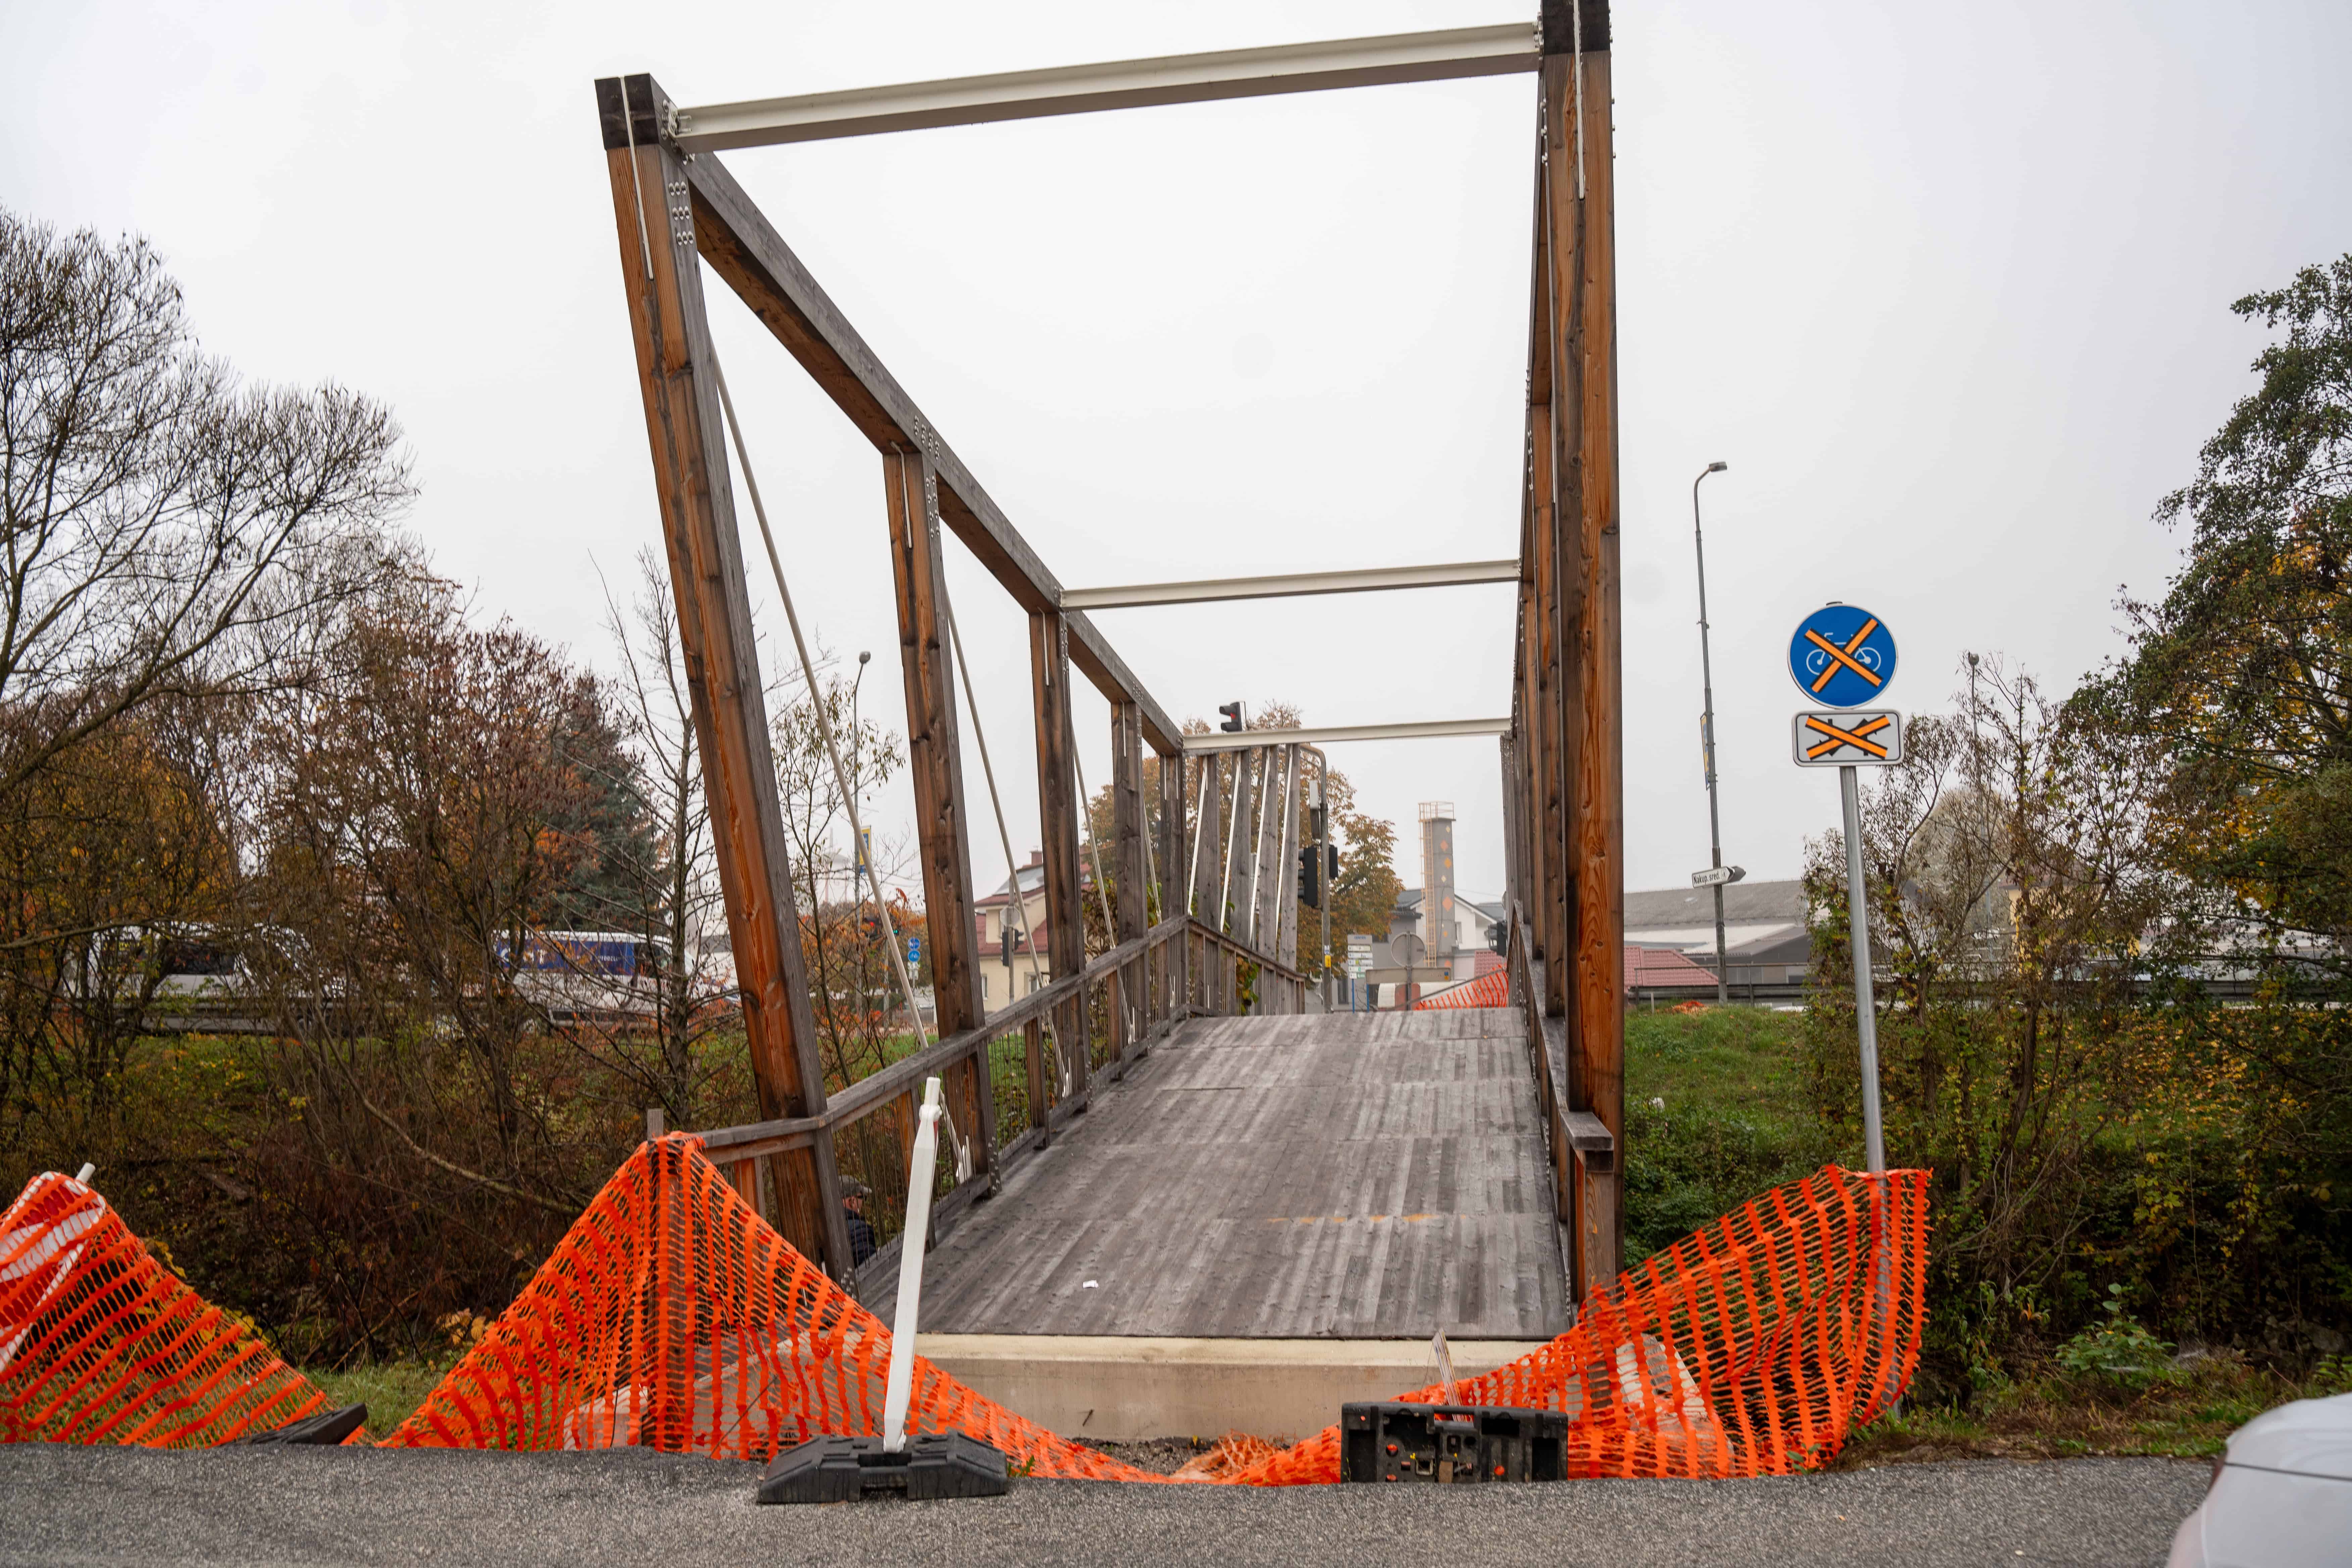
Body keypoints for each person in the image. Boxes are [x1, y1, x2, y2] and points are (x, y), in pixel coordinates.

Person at [841, 1178, 877, 1267]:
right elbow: (871, 1267)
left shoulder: (825, 1230)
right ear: (852, 1202)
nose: (863, 1203)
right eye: (863, 1198)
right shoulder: (859, 1229)